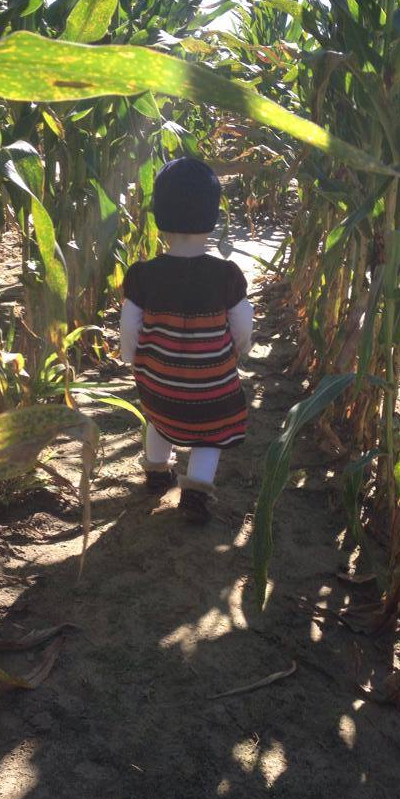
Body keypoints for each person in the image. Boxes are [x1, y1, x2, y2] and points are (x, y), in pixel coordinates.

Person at [119, 157, 253, 524]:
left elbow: (129, 324)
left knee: (159, 421)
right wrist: (239, 349)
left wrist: (131, 357)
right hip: (212, 388)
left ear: (159, 217)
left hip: (160, 386)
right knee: (210, 437)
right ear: (212, 218)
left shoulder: (144, 275)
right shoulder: (225, 275)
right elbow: (243, 320)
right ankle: (195, 491)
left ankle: (157, 471)